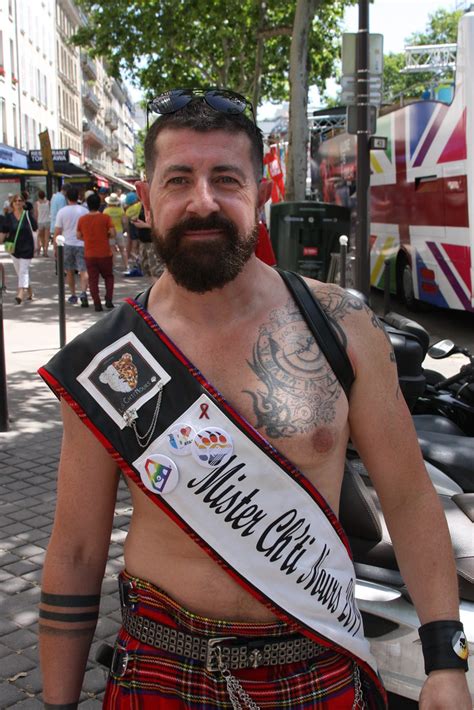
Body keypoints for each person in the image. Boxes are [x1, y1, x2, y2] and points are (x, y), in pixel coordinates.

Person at [38, 90, 470, 710]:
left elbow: (407, 496)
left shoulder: (342, 325)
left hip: (315, 661)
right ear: (148, 196)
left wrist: (445, 664)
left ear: (261, 195)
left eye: (226, 179)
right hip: (161, 670)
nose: (203, 201)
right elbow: (77, 548)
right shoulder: (110, 359)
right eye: (179, 179)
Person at [77, 192, 116, 312]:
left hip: (89, 253)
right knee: (108, 277)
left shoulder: (82, 219)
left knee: (93, 280)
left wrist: (87, 239)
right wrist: (105, 236)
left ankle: (97, 303)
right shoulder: (106, 218)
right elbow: (113, 233)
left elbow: (78, 236)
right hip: (105, 253)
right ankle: (108, 300)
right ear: (99, 204)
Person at [53, 187, 89, 307]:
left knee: (69, 271)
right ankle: (83, 292)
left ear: (67, 197)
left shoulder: (62, 212)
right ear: (78, 196)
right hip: (82, 243)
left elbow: (57, 231)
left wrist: (55, 248)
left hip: (67, 244)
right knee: (83, 270)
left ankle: (73, 294)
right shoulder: (84, 211)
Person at [0, 193, 37, 303]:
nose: (18, 202)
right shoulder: (8, 217)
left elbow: (35, 229)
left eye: (20, 201)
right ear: (12, 203)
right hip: (14, 249)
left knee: (23, 270)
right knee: (20, 272)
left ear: (23, 203)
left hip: (27, 247)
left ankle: (20, 293)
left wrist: (37, 244)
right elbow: (3, 232)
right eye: (15, 201)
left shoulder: (27, 215)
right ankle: (30, 291)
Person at [103, 192, 128, 271]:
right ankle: (126, 266)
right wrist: (125, 229)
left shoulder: (106, 211)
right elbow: (125, 221)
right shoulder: (120, 210)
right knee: (123, 249)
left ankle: (113, 266)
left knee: (112, 250)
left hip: (110, 232)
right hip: (119, 231)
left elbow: (104, 223)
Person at [123, 191, 143, 276]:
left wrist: (127, 231)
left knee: (134, 247)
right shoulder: (138, 206)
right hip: (140, 227)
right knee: (140, 246)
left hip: (132, 228)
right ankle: (140, 260)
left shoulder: (128, 211)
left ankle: (136, 261)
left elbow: (126, 222)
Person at [34, 189, 51, 257]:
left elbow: (36, 214)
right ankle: (45, 251)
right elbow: (50, 211)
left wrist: (35, 221)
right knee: (46, 237)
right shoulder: (48, 202)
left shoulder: (37, 203)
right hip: (47, 221)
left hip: (40, 221)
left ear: (38, 196)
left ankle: (41, 248)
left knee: (40, 237)